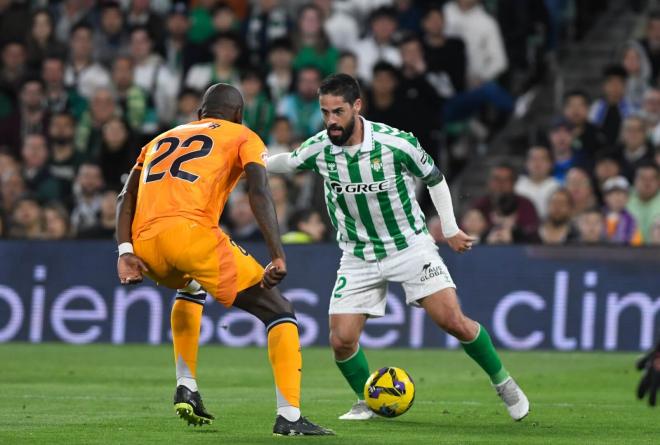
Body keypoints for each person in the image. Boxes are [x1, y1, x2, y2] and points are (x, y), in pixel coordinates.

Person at [267, 74, 529, 422]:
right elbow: (288, 162)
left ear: (357, 107)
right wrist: (249, 161)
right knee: (341, 340)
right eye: (325, 112)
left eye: (338, 112)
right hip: (358, 253)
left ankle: (504, 383)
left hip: (408, 247)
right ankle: (367, 400)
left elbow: (434, 178)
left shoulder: (395, 143)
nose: (331, 120)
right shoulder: (320, 148)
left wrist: (449, 228)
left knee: (452, 321)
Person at [115, 83, 332, 436]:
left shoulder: (158, 139)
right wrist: (276, 254)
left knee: (192, 283)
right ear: (238, 114)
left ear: (200, 113)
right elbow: (259, 191)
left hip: (145, 245)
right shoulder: (242, 134)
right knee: (279, 310)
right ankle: (289, 417)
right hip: (191, 234)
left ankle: (187, 384)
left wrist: (124, 252)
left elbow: (125, 197)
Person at [514, 145, 561, 219]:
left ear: (551, 164)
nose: (538, 163)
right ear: (526, 163)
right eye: (533, 159)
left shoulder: (557, 187)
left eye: (542, 159)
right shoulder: (516, 186)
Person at [602, 176, 642, 246]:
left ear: (627, 198)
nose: (617, 197)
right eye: (612, 193)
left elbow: (637, 246)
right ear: (605, 197)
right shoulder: (598, 216)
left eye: (621, 193)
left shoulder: (632, 220)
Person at [627, 163, 660, 243]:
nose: (647, 183)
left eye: (652, 179)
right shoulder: (625, 199)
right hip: (627, 251)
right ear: (635, 180)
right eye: (643, 178)